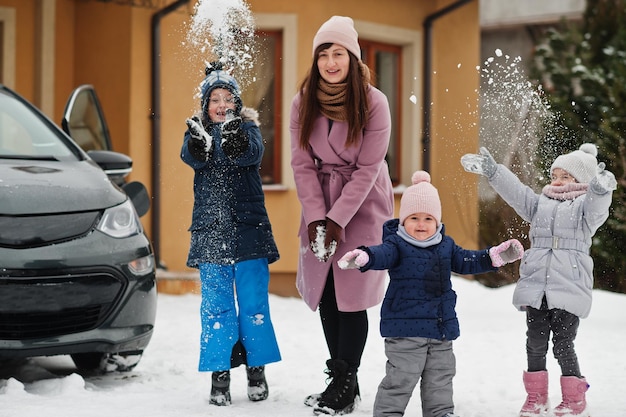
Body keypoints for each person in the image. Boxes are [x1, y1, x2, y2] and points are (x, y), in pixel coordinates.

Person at [337, 170, 524, 417]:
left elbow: (468, 261)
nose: (421, 224)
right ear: (403, 221)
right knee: (400, 380)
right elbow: (381, 254)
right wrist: (365, 257)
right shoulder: (397, 245)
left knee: (440, 379)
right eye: (414, 217)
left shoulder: (445, 246)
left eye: (428, 218)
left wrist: (494, 256)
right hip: (405, 331)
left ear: (437, 221)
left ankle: (441, 413)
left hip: (440, 329)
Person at [460, 144, 616, 417]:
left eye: (565, 176)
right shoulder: (540, 204)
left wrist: (602, 188)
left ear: (581, 181)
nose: (557, 180)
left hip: (568, 286)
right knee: (535, 343)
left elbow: (597, 205)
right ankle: (536, 397)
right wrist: (494, 172)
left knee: (563, 344)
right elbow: (517, 192)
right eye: (554, 174)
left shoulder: (584, 210)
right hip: (536, 287)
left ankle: (574, 398)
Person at [289, 15, 394, 416]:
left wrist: (337, 220)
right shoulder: (303, 101)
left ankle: (346, 383)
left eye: (338, 53)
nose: (330, 62)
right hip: (319, 197)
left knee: (351, 294)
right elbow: (301, 164)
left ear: (352, 57)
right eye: (323, 55)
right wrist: (318, 218)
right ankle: (340, 380)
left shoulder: (374, 102)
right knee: (327, 292)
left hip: (363, 204)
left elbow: (368, 169)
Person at [180, 62, 281, 407]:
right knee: (215, 308)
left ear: (237, 103)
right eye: (214, 100)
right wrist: (199, 141)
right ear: (205, 106)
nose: (221, 105)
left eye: (228, 99)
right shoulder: (197, 133)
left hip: (249, 231)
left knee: (254, 305)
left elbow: (250, 155)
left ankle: (256, 368)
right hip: (211, 233)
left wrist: (234, 136)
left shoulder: (249, 129)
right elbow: (192, 157)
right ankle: (219, 373)